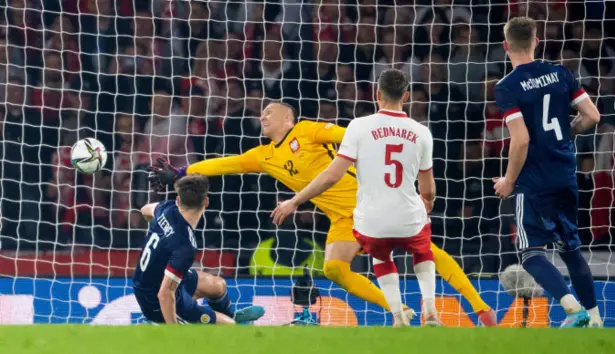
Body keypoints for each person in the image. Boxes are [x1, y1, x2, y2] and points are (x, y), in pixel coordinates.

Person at [149, 106, 498, 327]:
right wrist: (182, 170)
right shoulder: (264, 155)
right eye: (262, 115)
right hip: (344, 220)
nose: (263, 117)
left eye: (270, 113)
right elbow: (226, 164)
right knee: (333, 268)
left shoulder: (309, 131)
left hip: (370, 203)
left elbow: (350, 135)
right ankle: (400, 311)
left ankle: (481, 307)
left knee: (426, 252)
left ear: (289, 118)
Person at [272, 69, 438, 326]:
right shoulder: (421, 132)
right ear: (406, 95)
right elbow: (427, 186)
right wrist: (427, 203)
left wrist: (295, 200)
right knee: (423, 252)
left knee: (381, 255)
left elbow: (331, 176)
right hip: (407, 212)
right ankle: (431, 312)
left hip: (371, 216)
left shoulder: (359, 127)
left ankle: (398, 315)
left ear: (376, 94)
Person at [492, 17, 602, 328]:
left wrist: (508, 181)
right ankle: (595, 320)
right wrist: (568, 133)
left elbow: (522, 139)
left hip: (533, 181)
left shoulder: (507, 86)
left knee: (530, 253)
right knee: (571, 250)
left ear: (506, 46)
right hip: (565, 174)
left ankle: (572, 309)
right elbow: (592, 115)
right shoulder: (560, 72)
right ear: (536, 41)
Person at [132, 174, 265, 324]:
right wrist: (171, 331)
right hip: (155, 300)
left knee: (218, 285)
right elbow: (165, 293)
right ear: (206, 202)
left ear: (178, 200)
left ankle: (230, 316)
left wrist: (158, 228)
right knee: (230, 327)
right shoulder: (185, 245)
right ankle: (157, 322)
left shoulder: (166, 208)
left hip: (158, 280)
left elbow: (144, 210)